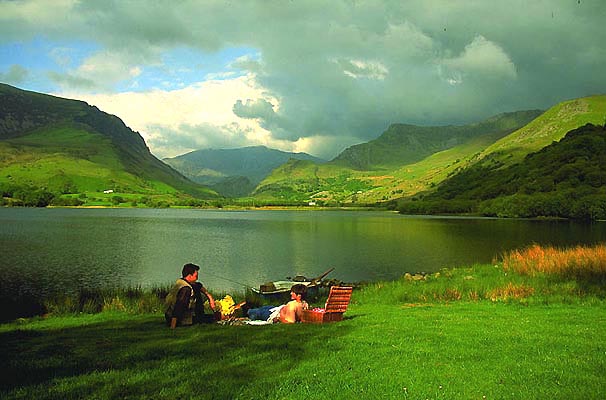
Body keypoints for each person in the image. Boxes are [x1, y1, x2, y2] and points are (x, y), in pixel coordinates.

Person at [165, 263, 217, 329]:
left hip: (172, 316)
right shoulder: (186, 289)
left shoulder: (182, 281)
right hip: (179, 319)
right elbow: (178, 307)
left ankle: (203, 315)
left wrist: (209, 297)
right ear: (190, 276)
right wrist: (173, 326)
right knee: (211, 318)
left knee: (197, 288)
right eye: (196, 276)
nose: (197, 278)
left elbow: (198, 285)